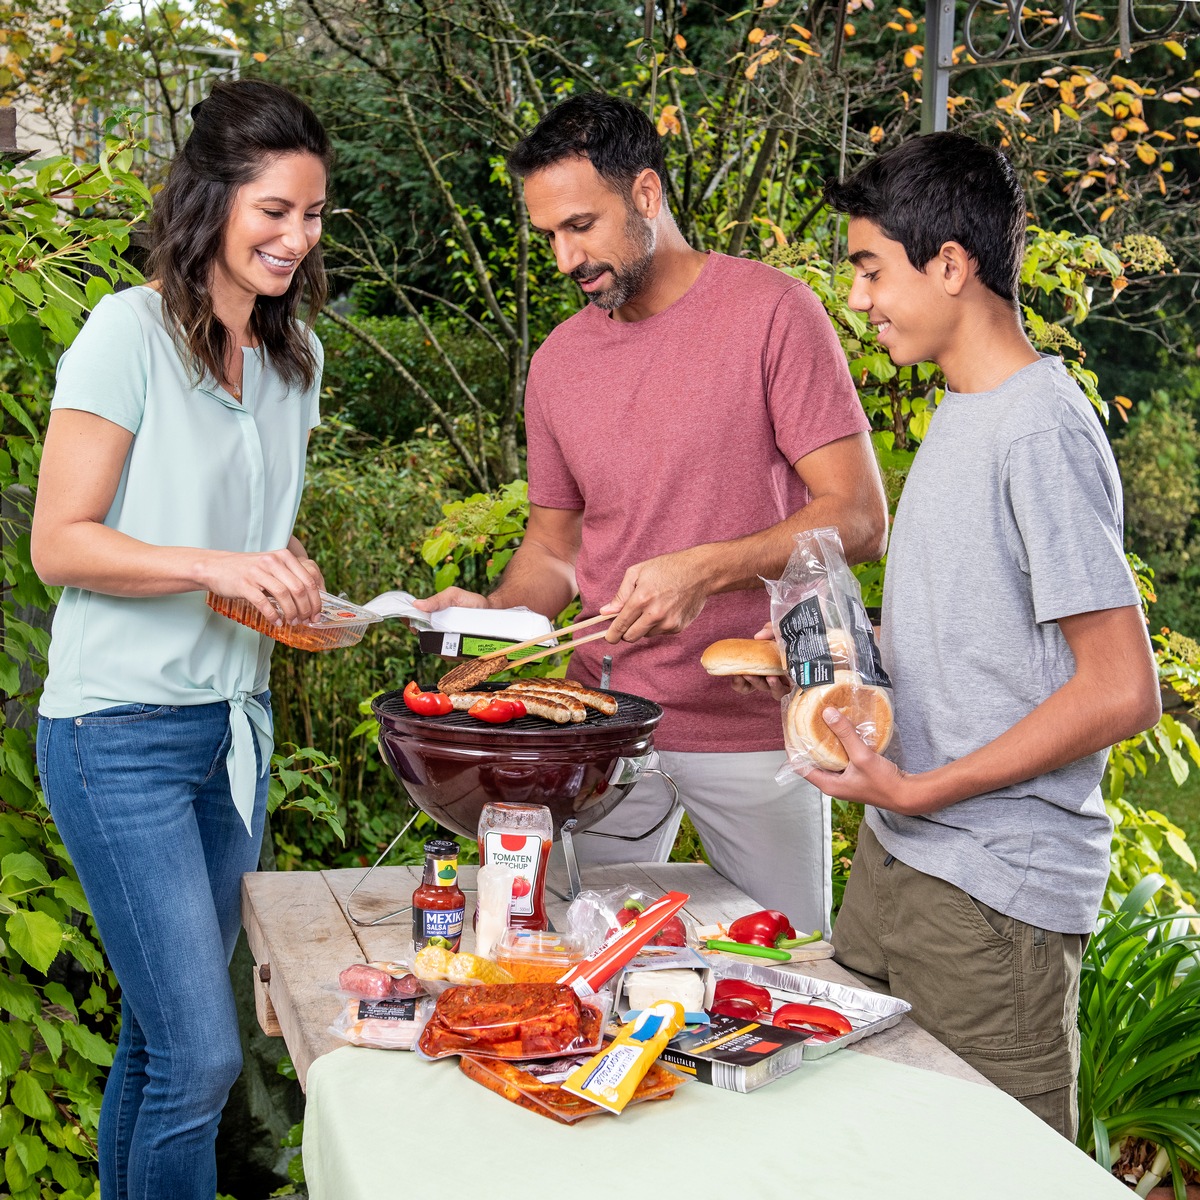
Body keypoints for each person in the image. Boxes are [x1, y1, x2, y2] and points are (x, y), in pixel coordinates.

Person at [415, 93, 887, 935]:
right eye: (549, 236)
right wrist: (497, 613)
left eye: (581, 226)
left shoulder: (773, 312)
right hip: (605, 727)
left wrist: (706, 569)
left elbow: (857, 515)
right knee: (582, 967)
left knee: (787, 966)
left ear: (645, 194)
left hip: (755, 723)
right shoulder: (558, 364)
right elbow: (556, 549)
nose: (565, 257)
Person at [800, 133, 1160, 1138]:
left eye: (872, 268)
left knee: (992, 1172)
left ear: (949, 264)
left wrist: (921, 788)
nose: (860, 298)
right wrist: (834, 659)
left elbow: (1121, 690)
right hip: (898, 865)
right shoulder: (964, 411)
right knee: (867, 1154)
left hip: (992, 894)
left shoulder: (1039, 427)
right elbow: (974, 641)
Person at [31, 80, 331, 1199]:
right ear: (211, 201)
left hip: (231, 737)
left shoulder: (292, 363)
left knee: (166, 1047)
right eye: (273, 212)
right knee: (204, 1054)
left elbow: (249, 556)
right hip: (120, 740)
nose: (296, 237)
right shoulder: (129, 333)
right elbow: (60, 544)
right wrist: (215, 567)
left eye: (312, 215)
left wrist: (315, 603)